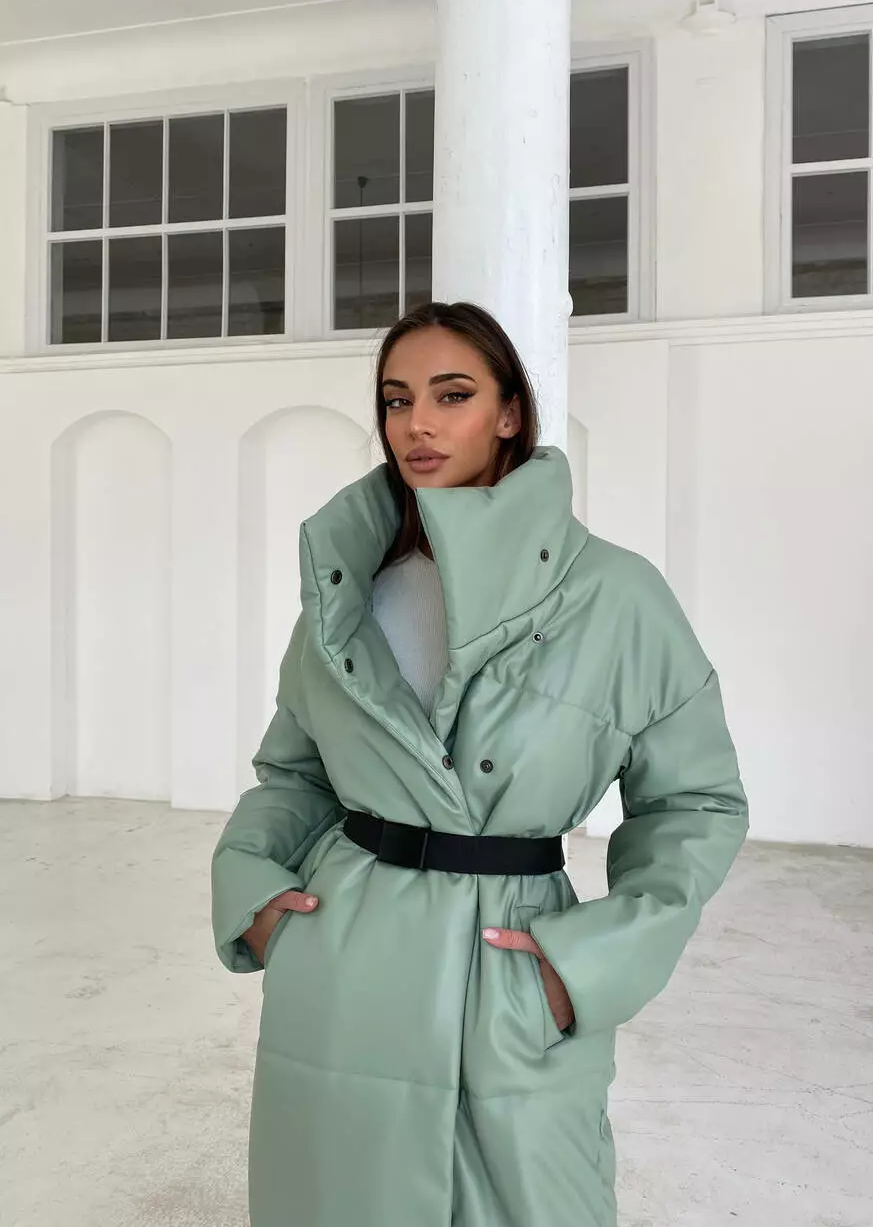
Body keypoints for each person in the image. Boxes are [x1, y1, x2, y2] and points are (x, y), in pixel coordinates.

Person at [211, 300, 748, 1227]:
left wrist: (587, 965)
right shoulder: (346, 595)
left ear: (508, 413)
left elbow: (695, 803)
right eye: (396, 400)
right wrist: (255, 894)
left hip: (509, 962)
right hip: (345, 967)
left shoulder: (614, 595)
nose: (416, 424)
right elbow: (295, 772)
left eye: (451, 395)